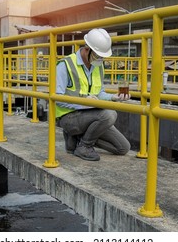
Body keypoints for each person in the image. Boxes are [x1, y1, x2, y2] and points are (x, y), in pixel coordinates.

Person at [56, 28, 131, 161]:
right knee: (109, 114)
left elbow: (99, 93)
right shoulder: (65, 64)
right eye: (98, 55)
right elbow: (57, 98)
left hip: (89, 115)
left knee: (123, 147)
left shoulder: (98, 66)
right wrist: (84, 101)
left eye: (102, 56)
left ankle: (77, 139)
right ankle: (84, 146)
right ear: (87, 48)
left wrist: (113, 97)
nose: (100, 59)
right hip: (68, 117)